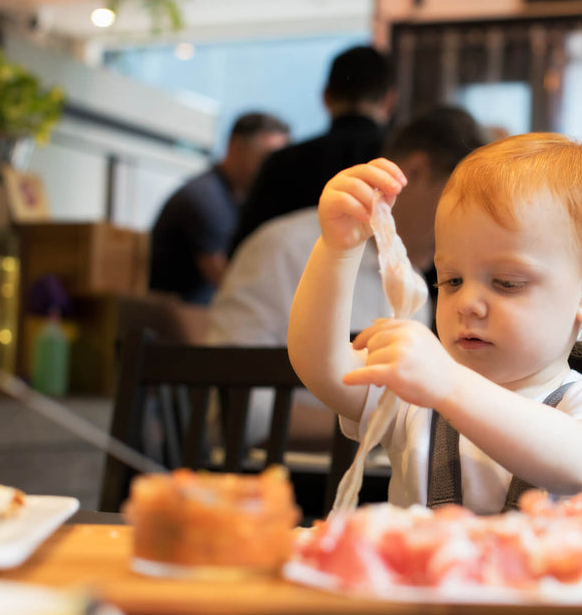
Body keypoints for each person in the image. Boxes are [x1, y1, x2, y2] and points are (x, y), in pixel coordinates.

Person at [287, 133, 582, 515]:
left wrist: (448, 384)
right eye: (452, 281)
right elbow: (323, 367)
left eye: (507, 283)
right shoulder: (417, 398)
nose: (468, 304)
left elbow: (581, 466)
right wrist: (337, 249)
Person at [209, 106, 486, 446]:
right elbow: (240, 409)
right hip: (273, 472)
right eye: (453, 203)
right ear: (414, 171)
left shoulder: (414, 283)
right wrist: (388, 429)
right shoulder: (286, 249)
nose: (457, 228)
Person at [229, 45, 395, 255]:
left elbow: (244, 249)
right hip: (386, 286)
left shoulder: (282, 163)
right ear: (390, 100)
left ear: (325, 97)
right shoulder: (402, 166)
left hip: (291, 285)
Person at [148, 111, 290, 305]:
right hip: (173, 324)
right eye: (266, 157)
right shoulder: (205, 197)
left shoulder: (234, 198)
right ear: (235, 146)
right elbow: (229, 284)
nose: (272, 169)